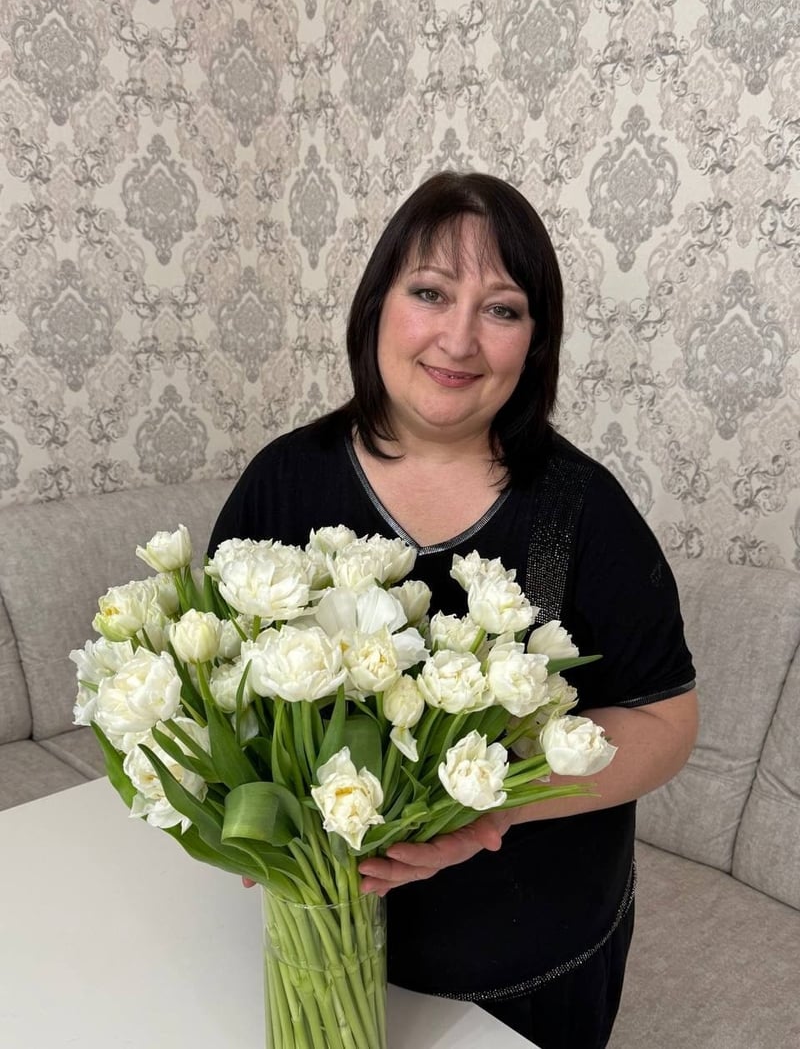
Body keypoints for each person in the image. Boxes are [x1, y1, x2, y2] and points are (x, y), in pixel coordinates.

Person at [208, 171, 698, 1049]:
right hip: (320, 955)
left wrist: (493, 805)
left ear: (534, 342)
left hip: (528, 967)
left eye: (502, 309)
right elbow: (218, 685)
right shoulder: (286, 480)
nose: (460, 338)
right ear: (377, 306)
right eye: (430, 292)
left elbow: (667, 722)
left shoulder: (582, 510)